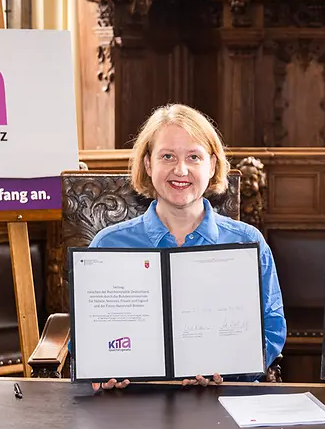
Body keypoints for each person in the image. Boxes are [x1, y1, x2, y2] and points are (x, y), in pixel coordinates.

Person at [87, 104, 287, 392]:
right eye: (167, 156)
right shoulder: (108, 245)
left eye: (194, 157)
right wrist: (101, 367)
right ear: (148, 164)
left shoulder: (247, 243)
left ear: (213, 166)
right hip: (135, 402)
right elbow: (87, 334)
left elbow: (272, 326)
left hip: (222, 397)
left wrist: (235, 367)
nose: (180, 170)